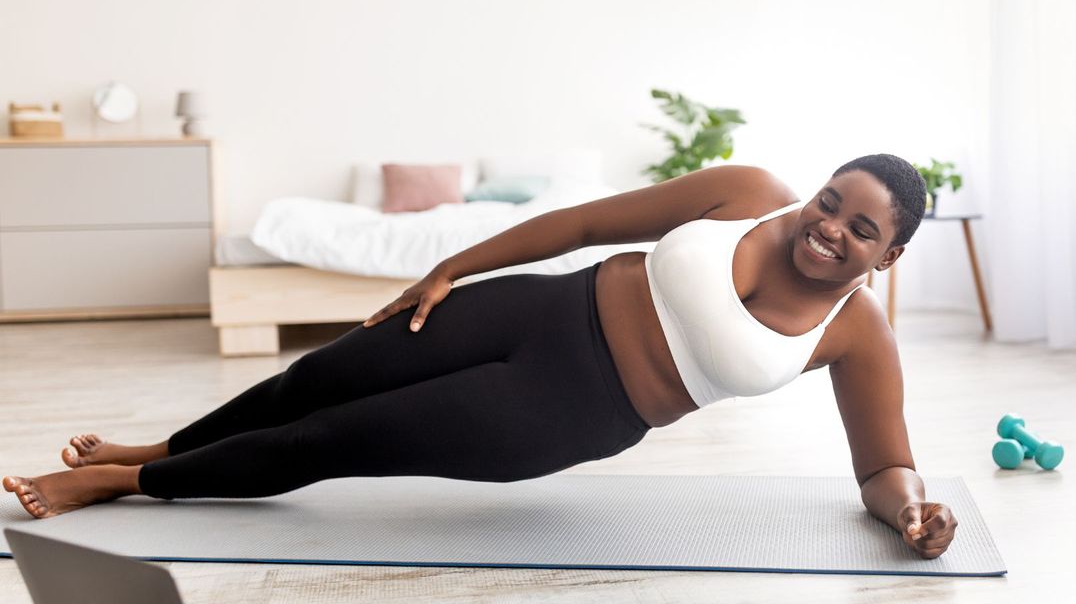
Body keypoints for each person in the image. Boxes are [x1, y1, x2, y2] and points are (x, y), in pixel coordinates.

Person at [4, 153, 958, 559]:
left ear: (891, 254)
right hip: (537, 310)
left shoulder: (857, 335)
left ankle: (122, 486)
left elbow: (882, 466)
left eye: (861, 228)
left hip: (573, 410)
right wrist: (449, 269)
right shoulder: (748, 189)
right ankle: (161, 450)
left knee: (338, 436)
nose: (829, 227)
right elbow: (584, 221)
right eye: (833, 201)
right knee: (320, 376)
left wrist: (912, 513)